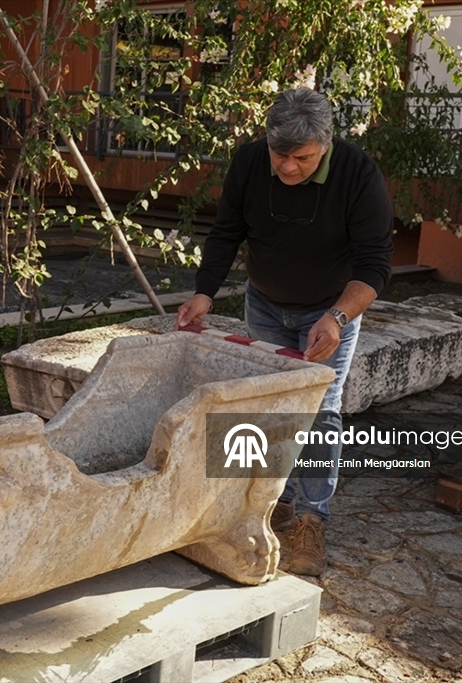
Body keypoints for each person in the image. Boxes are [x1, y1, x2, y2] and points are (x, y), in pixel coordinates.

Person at [176, 87, 393, 576]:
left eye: (303, 158)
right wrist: (205, 292)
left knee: (321, 410)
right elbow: (226, 232)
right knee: (269, 406)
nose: (289, 167)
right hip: (266, 305)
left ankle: (313, 519)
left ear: (325, 145)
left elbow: (375, 264)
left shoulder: (358, 174)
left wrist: (338, 317)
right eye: (280, 155)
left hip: (330, 312)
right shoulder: (250, 162)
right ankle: (278, 501)